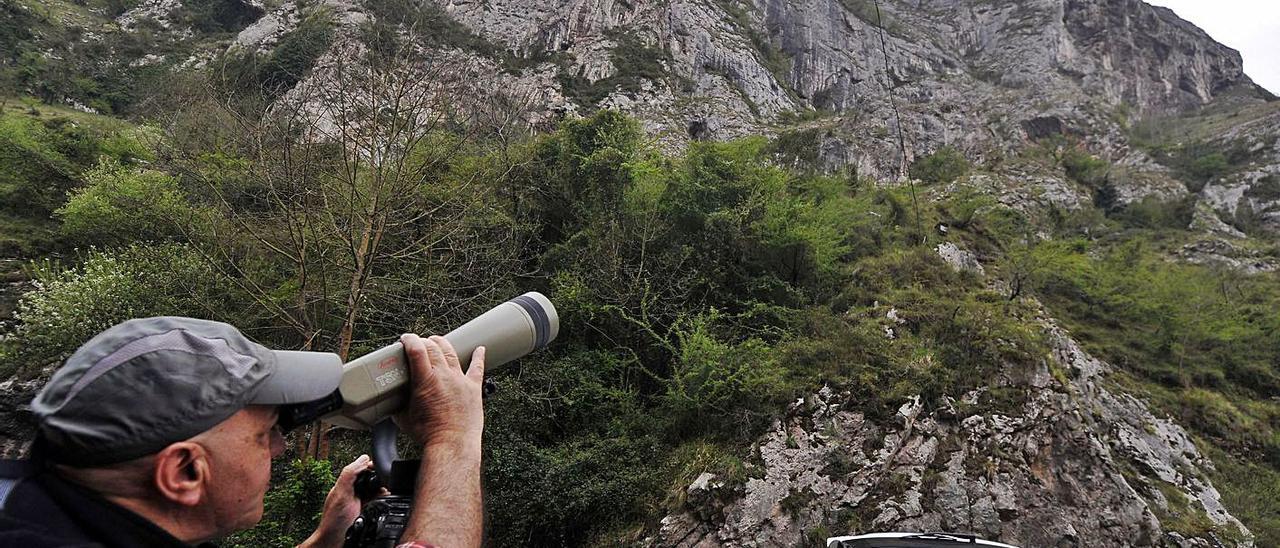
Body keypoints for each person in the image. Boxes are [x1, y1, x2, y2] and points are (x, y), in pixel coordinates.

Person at [0, 316, 486, 547]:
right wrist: (453, 440)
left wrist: (325, 537)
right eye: (263, 433)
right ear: (185, 471)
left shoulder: (46, 508)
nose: (279, 445)